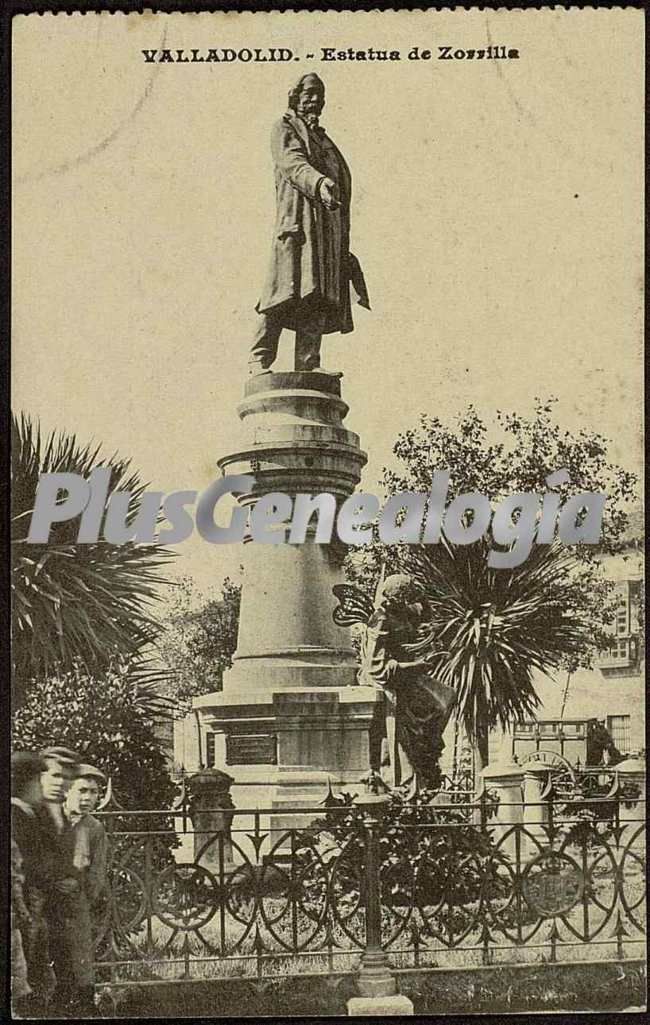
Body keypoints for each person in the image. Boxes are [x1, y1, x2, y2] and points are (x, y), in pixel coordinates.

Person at [250, 73, 369, 374]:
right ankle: (259, 360)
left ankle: (309, 364)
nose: (316, 100)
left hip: (327, 233)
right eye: (310, 93)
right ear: (296, 96)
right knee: (281, 293)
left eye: (320, 95)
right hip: (298, 227)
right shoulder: (284, 128)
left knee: (317, 296)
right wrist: (319, 183)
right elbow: (293, 163)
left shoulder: (326, 142)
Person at [38, 745, 84, 1016]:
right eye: (54, 775)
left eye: (66, 778)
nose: (59, 783)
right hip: (32, 910)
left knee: (64, 975)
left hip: (58, 910)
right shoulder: (25, 812)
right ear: (41, 775)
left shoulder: (64, 815)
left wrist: (72, 877)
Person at [60, 763, 108, 1016]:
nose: (88, 797)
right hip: (44, 899)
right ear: (67, 790)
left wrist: (82, 897)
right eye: (82, 790)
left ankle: (83, 1006)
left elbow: (97, 872)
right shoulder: (51, 820)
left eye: (93, 792)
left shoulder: (94, 828)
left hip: (76, 903)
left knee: (80, 955)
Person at [11, 751, 56, 1015]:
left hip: (33, 903)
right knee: (26, 967)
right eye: (37, 781)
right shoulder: (16, 816)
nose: (42, 787)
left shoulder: (31, 813)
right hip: (25, 904)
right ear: (25, 783)